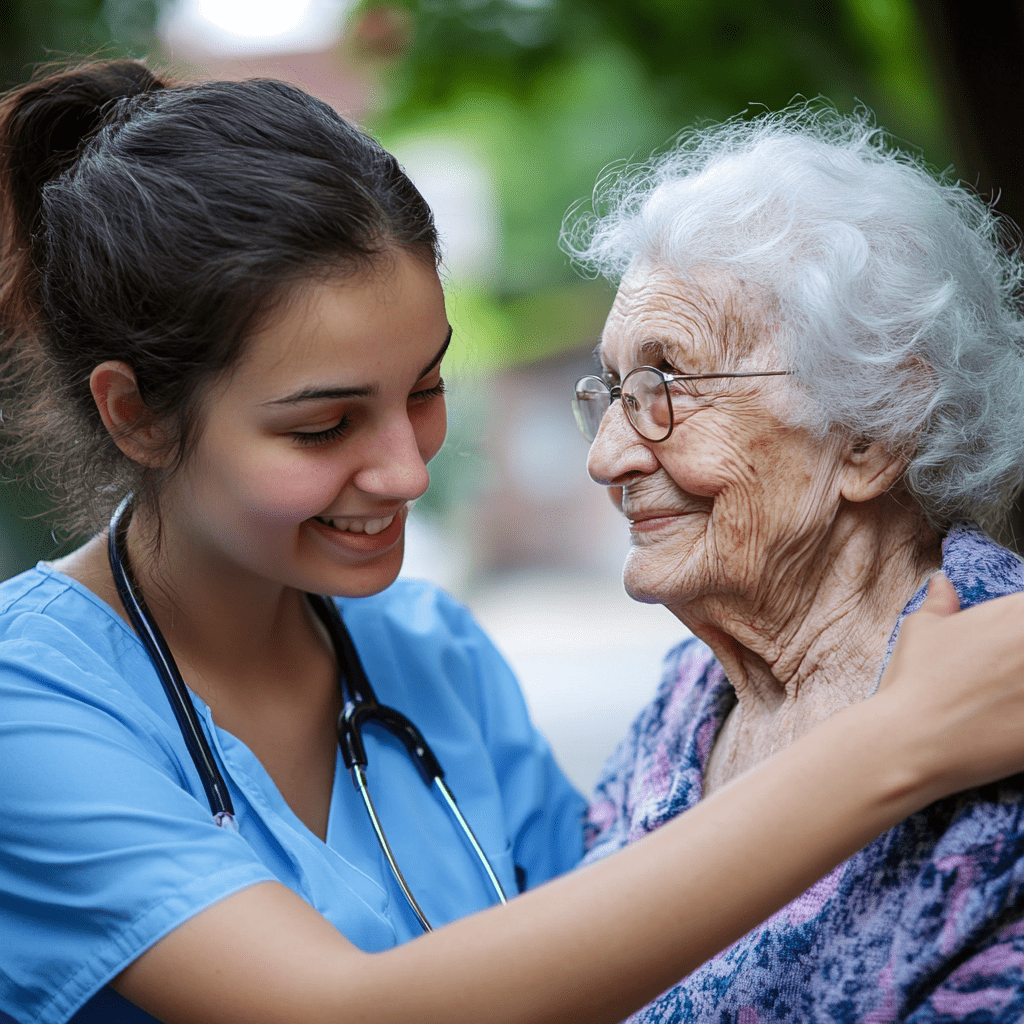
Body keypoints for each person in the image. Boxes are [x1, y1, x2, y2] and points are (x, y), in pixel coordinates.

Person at [2, 63, 1024, 1024]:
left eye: (426, 389)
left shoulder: (432, 652)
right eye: (324, 425)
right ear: (135, 416)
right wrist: (899, 741)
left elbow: (610, 935)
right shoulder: (28, 707)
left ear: (875, 426)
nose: (407, 471)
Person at [565, 107, 1024, 1021]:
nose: (607, 455)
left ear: (871, 429)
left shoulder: (1001, 699)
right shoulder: (689, 697)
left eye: (669, 386)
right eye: (615, 392)